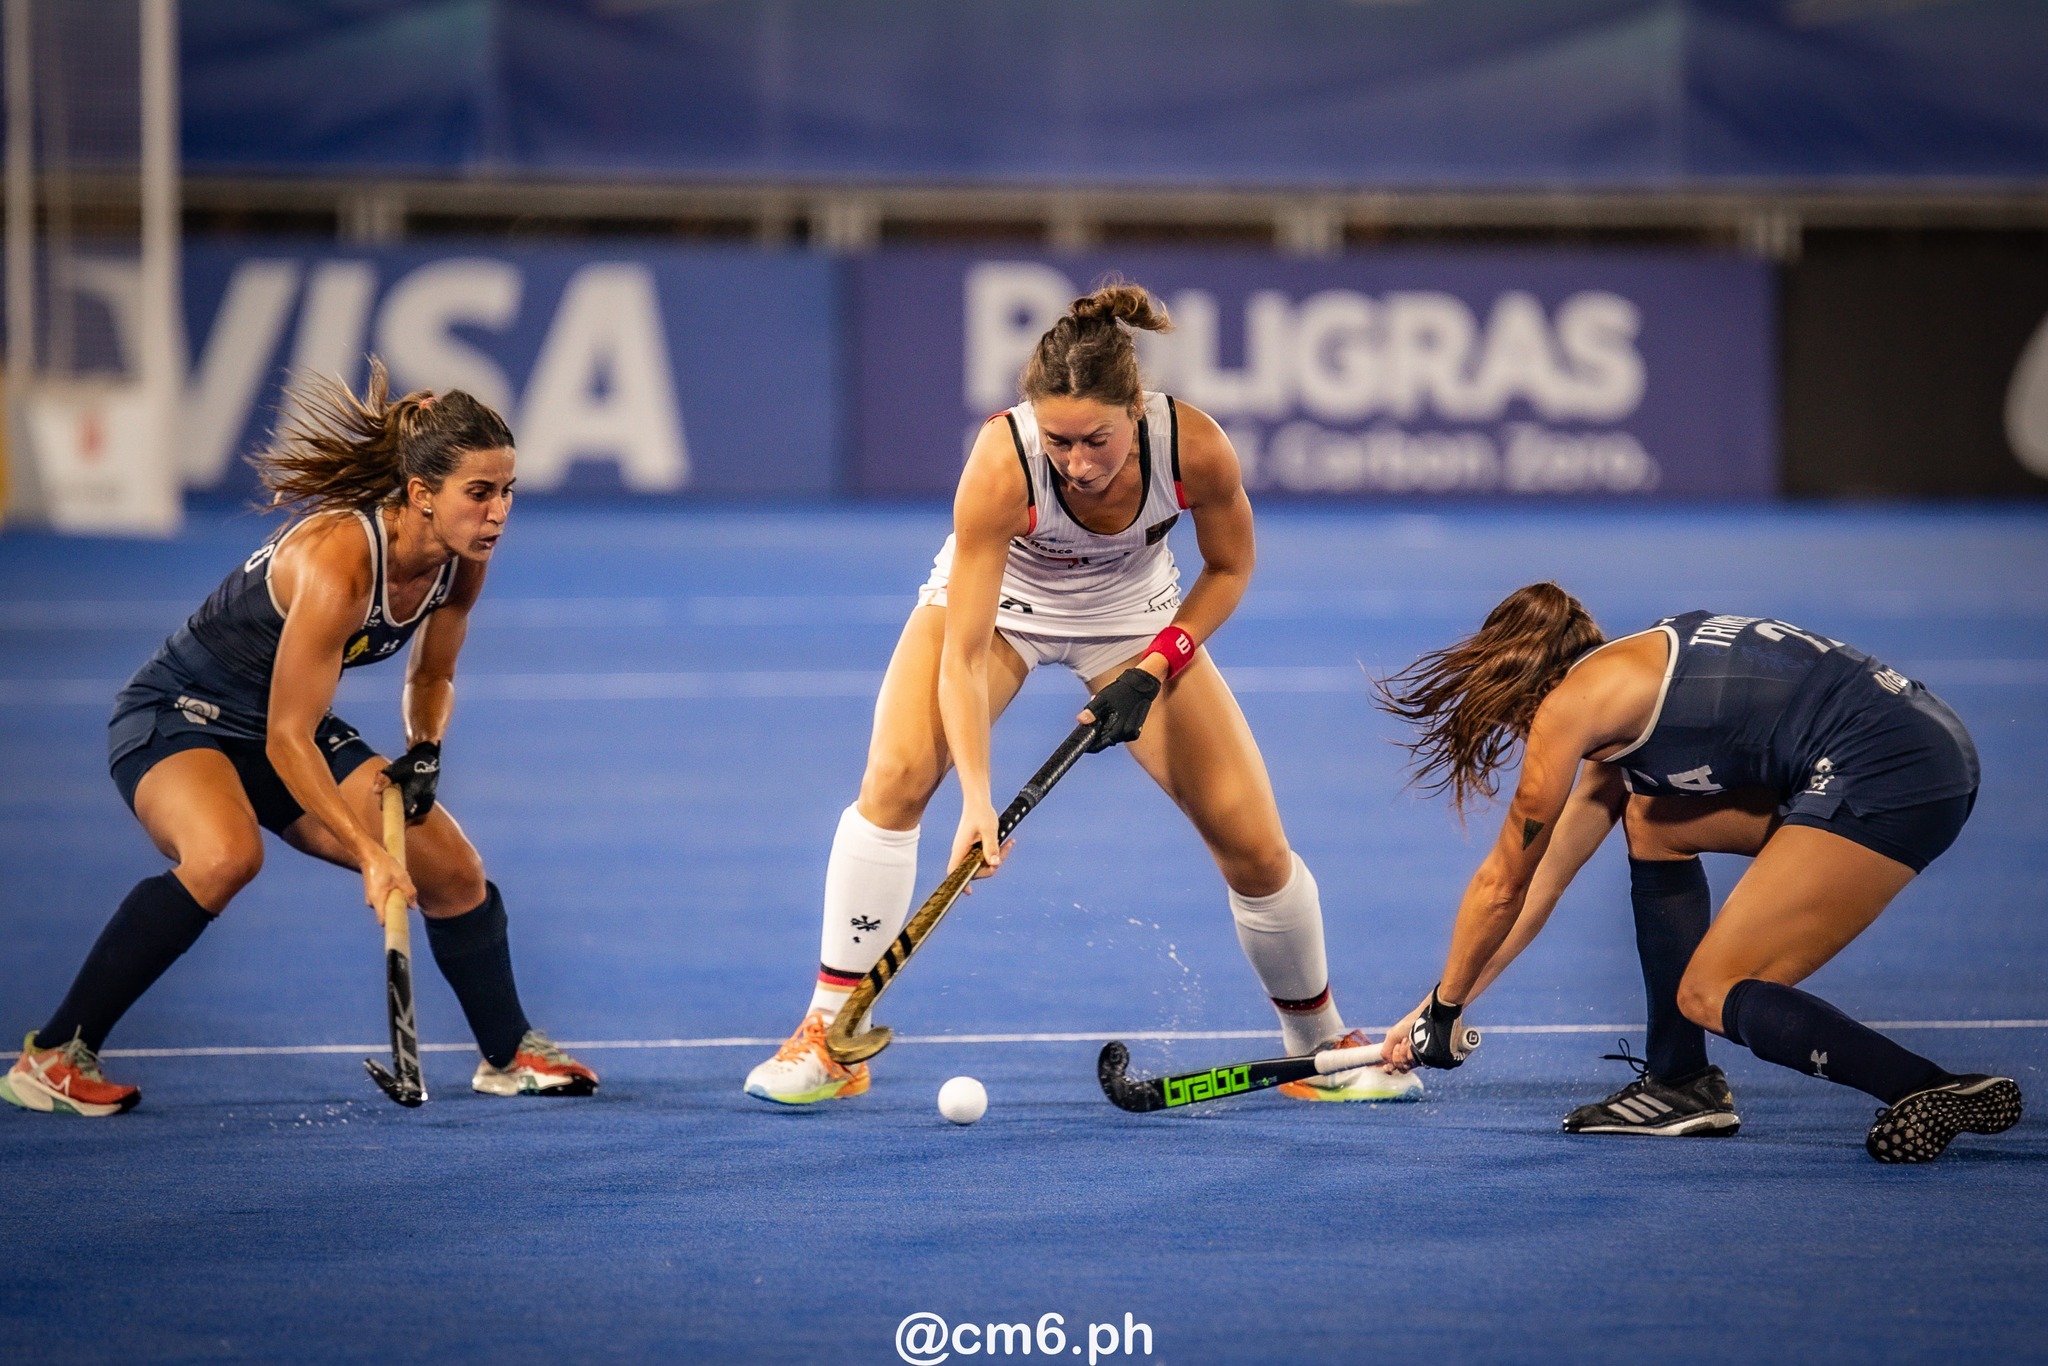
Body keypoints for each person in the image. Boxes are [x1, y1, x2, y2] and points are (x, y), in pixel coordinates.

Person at [743, 283, 1414, 1106]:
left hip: (1135, 621)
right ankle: (828, 1037)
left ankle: (1318, 1049)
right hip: (1000, 616)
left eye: (1097, 439)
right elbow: (960, 654)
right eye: (1059, 442)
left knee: (1255, 846)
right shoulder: (1001, 463)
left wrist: (1160, 661)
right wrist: (979, 803)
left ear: (1136, 408)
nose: (1079, 464)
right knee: (894, 782)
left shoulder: (1195, 448)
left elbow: (1231, 569)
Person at [1, 361, 597, 1116]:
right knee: (225, 856)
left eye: (507, 491)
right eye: (479, 493)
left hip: (286, 725)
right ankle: (53, 1056)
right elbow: (288, 741)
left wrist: (424, 749)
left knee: (452, 866)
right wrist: (371, 855)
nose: (498, 512)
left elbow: (432, 674)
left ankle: (507, 1053)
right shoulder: (337, 561)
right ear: (421, 494)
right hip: (179, 717)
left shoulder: (459, 562)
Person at [1373, 583, 2021, 1162]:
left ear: (1524, 681)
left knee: (1709, 989)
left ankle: (1929, 1087)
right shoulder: (1625, 679)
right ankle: (1680, 1083)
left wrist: (1448, 1006)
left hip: (1887, 771)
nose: (1519, 730)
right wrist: (1437, 1005)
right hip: (1914, 746)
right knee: (1654, 821)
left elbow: (1502, 883)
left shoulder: (1569, 707)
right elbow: (1542, 884)